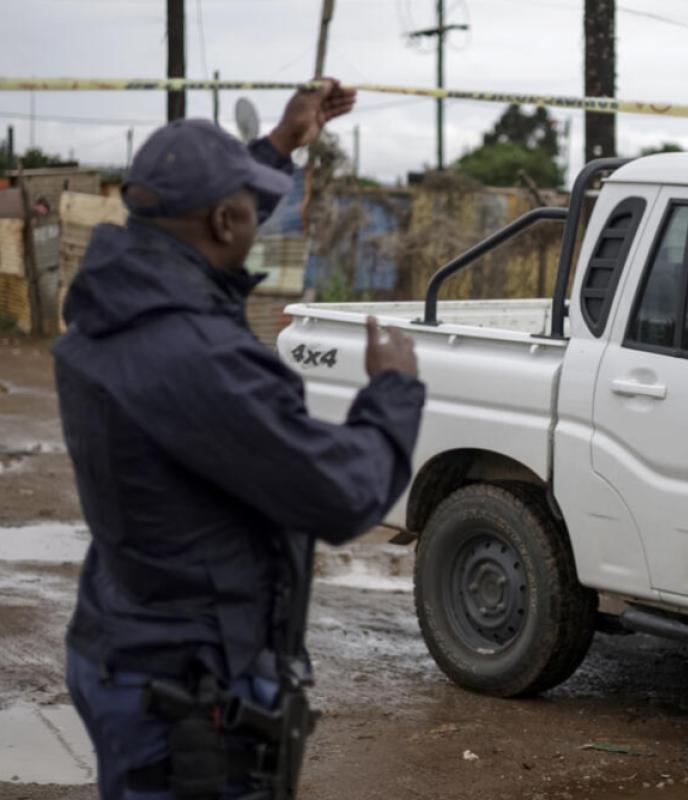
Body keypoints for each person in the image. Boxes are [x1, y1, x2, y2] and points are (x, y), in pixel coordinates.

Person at [54, 79, 425, 799]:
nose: (258, 222)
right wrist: (393, 390)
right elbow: (344, 494)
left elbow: (208, 245)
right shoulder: (198, 358)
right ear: (225, 221)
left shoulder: (116, 303)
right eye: (247, 209)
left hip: (129, 643)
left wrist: (281, 144)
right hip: (189, 687)